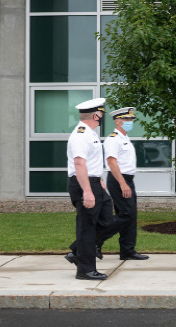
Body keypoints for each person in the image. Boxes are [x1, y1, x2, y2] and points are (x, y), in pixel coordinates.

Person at [63, 98, 112, 280]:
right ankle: (85, 270)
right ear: (95, 115)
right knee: (87, 228)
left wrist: (99, 181)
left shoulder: (90, 134)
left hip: (94, 182)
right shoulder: (81, 135)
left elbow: (91, 163)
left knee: (107, 219)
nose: (102, 118)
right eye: (101, 115)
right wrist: (87, 191)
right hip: (84, 185)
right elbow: (79, 163)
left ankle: (77, 251)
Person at [97, 107, 149, 261]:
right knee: (126, 215)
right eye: (126, 119)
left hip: (127, 180)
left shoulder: (124, 138)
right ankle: (94, 240)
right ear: (117, 121)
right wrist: (122, 184)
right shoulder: (113, 139)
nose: (129, 122)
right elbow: (111, 162)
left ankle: (127, 250)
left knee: (130, 216)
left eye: (130, 119)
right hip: (119, 180)